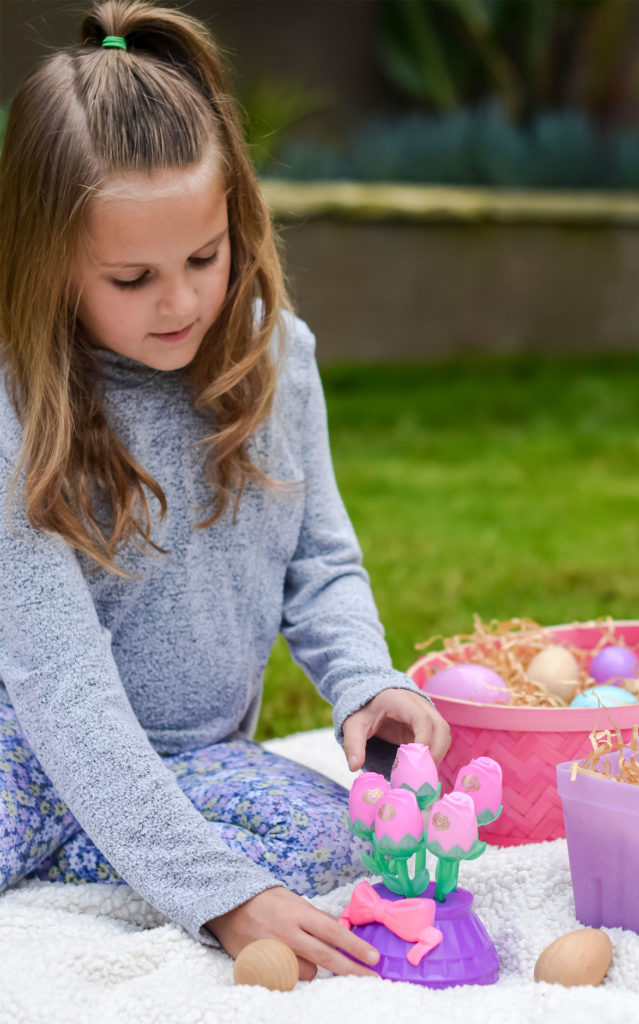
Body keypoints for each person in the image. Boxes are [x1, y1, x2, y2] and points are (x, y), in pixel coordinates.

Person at [0, 0, 450, 980]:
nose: (183, 302)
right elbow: (58, 684)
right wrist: (220, 896)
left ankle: (124, 843)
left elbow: (318, 560)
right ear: (47, 264)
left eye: (203, 257)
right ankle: (118, 844)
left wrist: (367, 684)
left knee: (342, 851)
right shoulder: (15, 402)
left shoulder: (275, 356)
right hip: (26, 747)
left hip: (194, 759)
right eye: (131, 278)